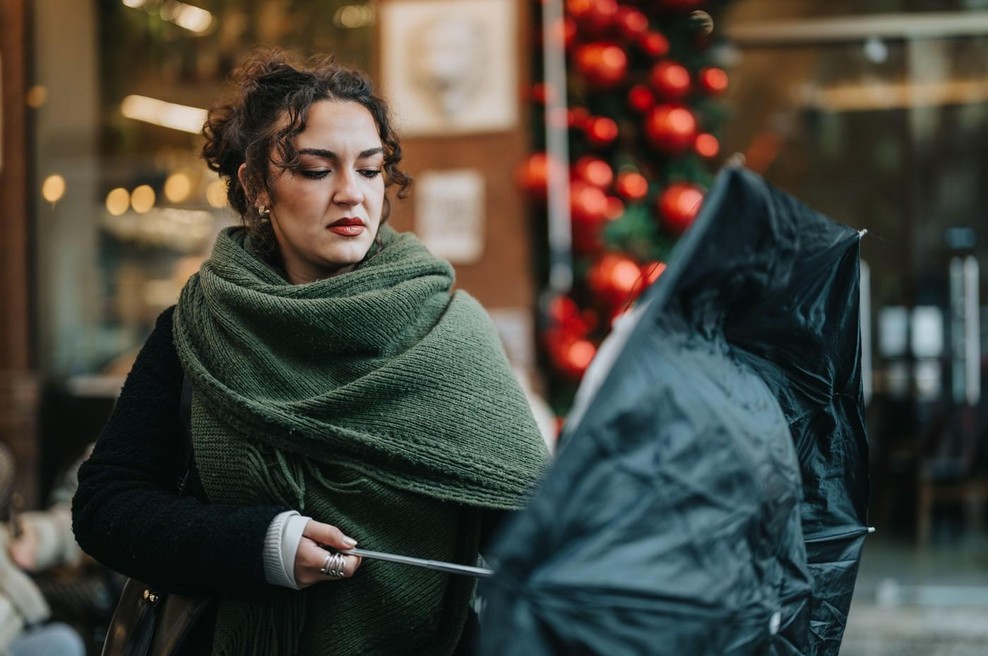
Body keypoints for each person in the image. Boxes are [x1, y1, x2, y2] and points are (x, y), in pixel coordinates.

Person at [71, 48, 550, 655]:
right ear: (255, 185)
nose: (353, 194)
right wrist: (259, 543)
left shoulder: (449, 329)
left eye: (371, 169)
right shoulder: (197, 326)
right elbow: (106, 505)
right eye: (316, 169)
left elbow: (530, 527)